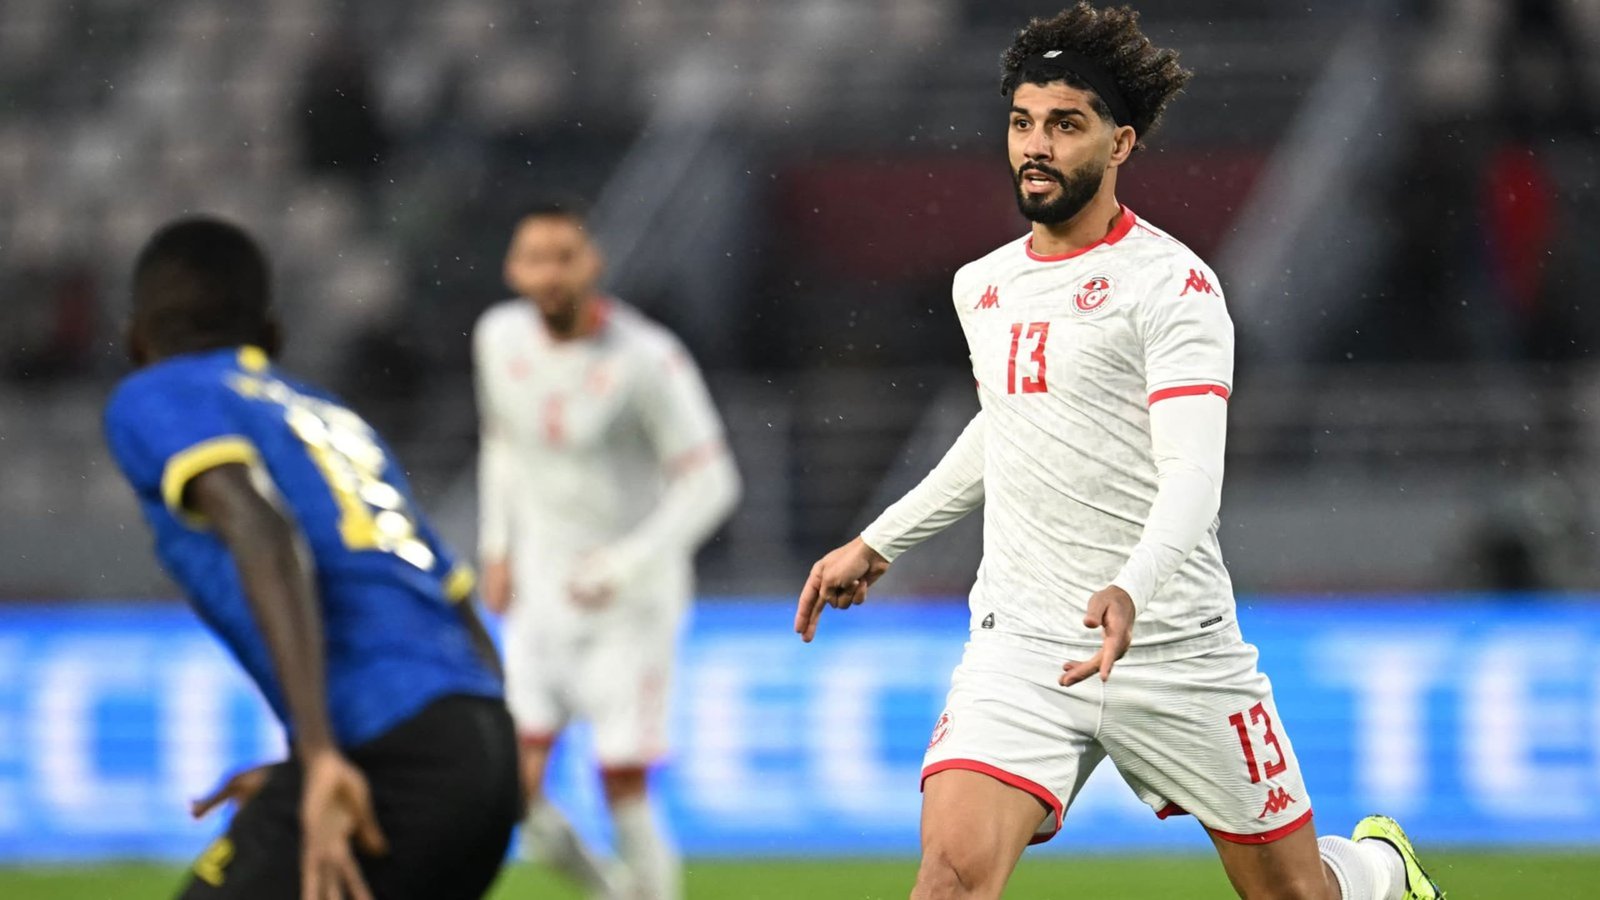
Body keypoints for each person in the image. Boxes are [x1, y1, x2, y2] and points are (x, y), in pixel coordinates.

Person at [793, 6, 1444, 900]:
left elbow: (1193, 474)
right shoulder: (981, 285)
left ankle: (1376, 871)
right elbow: (1007, 429)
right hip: (1021, 644)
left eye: (1065, 125)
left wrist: (1132, 588)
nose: (1036, 144)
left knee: (1294, 895)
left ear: (1121, 142)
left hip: (1171, 643)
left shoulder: (1171, 286)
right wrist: (880, 541)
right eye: (1023, 122)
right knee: (947, 881)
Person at [104, 217, 520, 900]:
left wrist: (323, 753)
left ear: (136, 338)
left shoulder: (161, 393)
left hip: (393, 758)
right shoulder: (331, 418)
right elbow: (450, 597)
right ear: (270, 334)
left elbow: (262, 529)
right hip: (477, 748)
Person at [474, 200, 741, 900]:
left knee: (620, 777)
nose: (551, 273)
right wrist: (496, 547)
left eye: (566, 256)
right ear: (513, 269)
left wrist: (627, 564)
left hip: (631, 607)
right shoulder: (497, 338)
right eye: (536, 258)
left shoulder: (647, 359)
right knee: (514, 791)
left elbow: (714, 482)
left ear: (592, 262)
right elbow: (501, 443)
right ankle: (608, 891)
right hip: (539, 597)